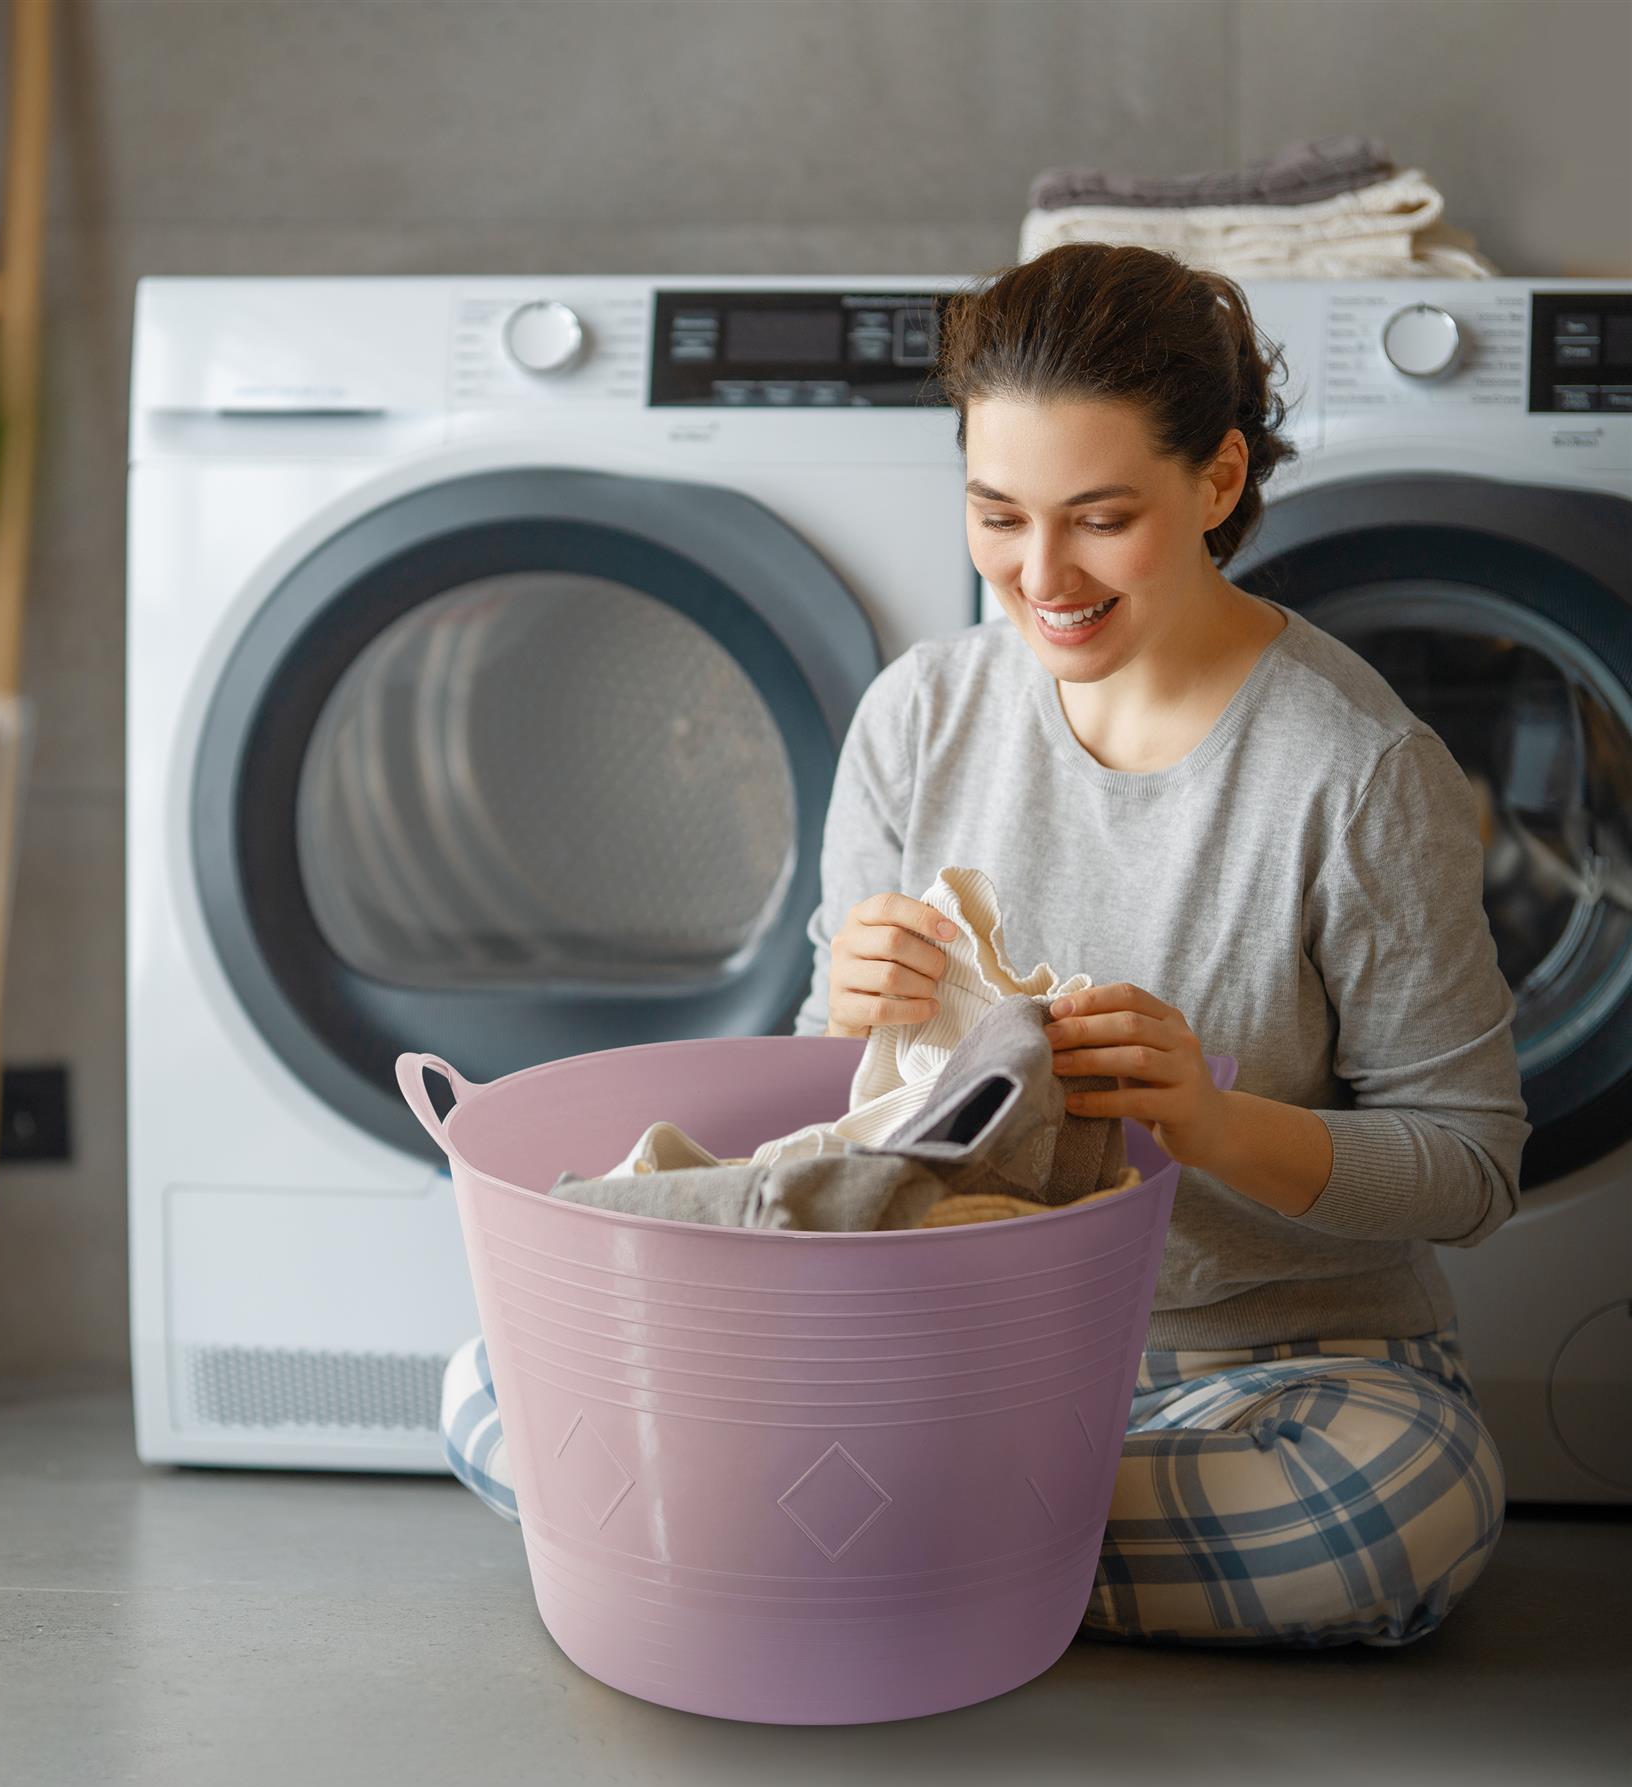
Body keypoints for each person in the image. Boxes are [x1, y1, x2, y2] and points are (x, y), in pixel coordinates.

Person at [440, 244, 1528, 1651]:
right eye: (997, 512)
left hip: (1265, 1371)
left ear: (1216, 483)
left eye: (1100, 517)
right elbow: (854, 1118)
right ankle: (963, 1542)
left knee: (1399, 1509)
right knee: (482, 1385)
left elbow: (1472, 1166)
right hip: (931, 1354)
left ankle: (799, 1542)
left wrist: (1208, 1117)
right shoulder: (920, 716)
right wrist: (840, 1015)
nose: (1039, 573)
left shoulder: (1360, 771)